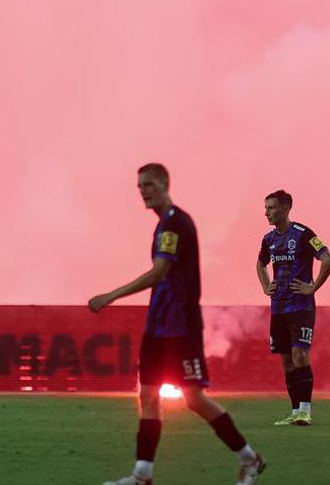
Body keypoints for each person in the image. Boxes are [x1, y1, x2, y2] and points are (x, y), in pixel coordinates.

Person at [88, 164, 265, 485]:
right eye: (140, 186)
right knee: (148, 395)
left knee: (193, 398)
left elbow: (160, 272)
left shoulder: (175, 223)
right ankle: (142, 475)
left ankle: (250, 458)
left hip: (180, 327)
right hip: (157, 325)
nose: (143, 191)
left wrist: (112, 295)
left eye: (149, 185)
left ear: (164, 185)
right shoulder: (163, 225)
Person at [258, 189, 330, 426]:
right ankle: (294, 412)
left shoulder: (303, 234)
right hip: (278, 308)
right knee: (286, 360)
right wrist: (266, 286)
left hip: (300, 306)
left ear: (286, 208)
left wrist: (313, 287)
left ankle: (305, 411)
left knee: (300, 354)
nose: (267, 213)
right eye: (266, 208)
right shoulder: (269, 239)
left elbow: (328, 259)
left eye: (271, 208)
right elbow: (260, 264)